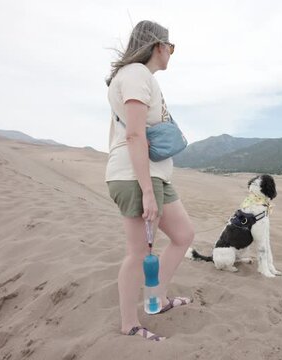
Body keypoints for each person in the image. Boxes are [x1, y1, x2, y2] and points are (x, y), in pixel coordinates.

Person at [105, 20, 194, 341]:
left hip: (153, 174)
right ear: (158, 46)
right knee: (139, 253)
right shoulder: (134, 77)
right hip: (136, 177)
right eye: (171, 47)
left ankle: (156, 299)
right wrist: (146, 191)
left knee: (184, 234)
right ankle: (129, 324)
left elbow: (126, 132)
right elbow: (133, 134)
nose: (172, 52)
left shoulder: (137, 78)